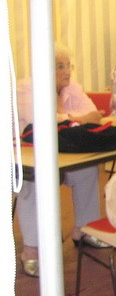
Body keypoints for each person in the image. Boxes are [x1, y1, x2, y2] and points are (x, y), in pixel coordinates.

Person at [15, 44, 109, 278]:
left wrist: (67, 119)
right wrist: (76, 119)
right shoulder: (26, 88)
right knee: (33, 180)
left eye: (68, 66)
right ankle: (31, 249)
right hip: (23, 156)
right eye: (59, 66)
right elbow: (40, 121)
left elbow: (94, 115)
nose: (66, 72)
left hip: (61, 151)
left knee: (87, 167)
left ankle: (84, 230)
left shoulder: (72, 88)